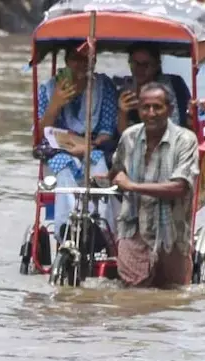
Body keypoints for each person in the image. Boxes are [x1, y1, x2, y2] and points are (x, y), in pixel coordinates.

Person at [110, 82, 200, 288]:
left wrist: (132, 186)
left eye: (157, 107)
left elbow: (180, 187)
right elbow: (116, 169)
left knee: (173, 292)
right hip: (133, 229)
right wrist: (113, 177)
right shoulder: (129, 136)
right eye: (146, 107)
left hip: (172, 233)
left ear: (169, 109)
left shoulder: (185, 140)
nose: (151, 113)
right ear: (139, 109)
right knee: (134, 295)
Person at [37, 45, 120, 239]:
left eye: (86, 59)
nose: (80, 64)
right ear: (66, 62)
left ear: (94, 61)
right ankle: (66, 227)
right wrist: (55, 104)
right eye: (75, 59)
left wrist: (85, 147)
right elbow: (42, 133)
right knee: (62, 164)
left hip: (94, 148)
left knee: (98, 163)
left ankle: (97, 225)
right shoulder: (48, 89)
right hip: (59, 151)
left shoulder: (103, 87)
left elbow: (107, 132)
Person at [115, 44, 192, 135]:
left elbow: (187, 118)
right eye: (135, 63)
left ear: (156, 65)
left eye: (145, 64)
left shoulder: (175, 84)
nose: (140, 69)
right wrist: (123, 113)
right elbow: (124, 137)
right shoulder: (124, 90)